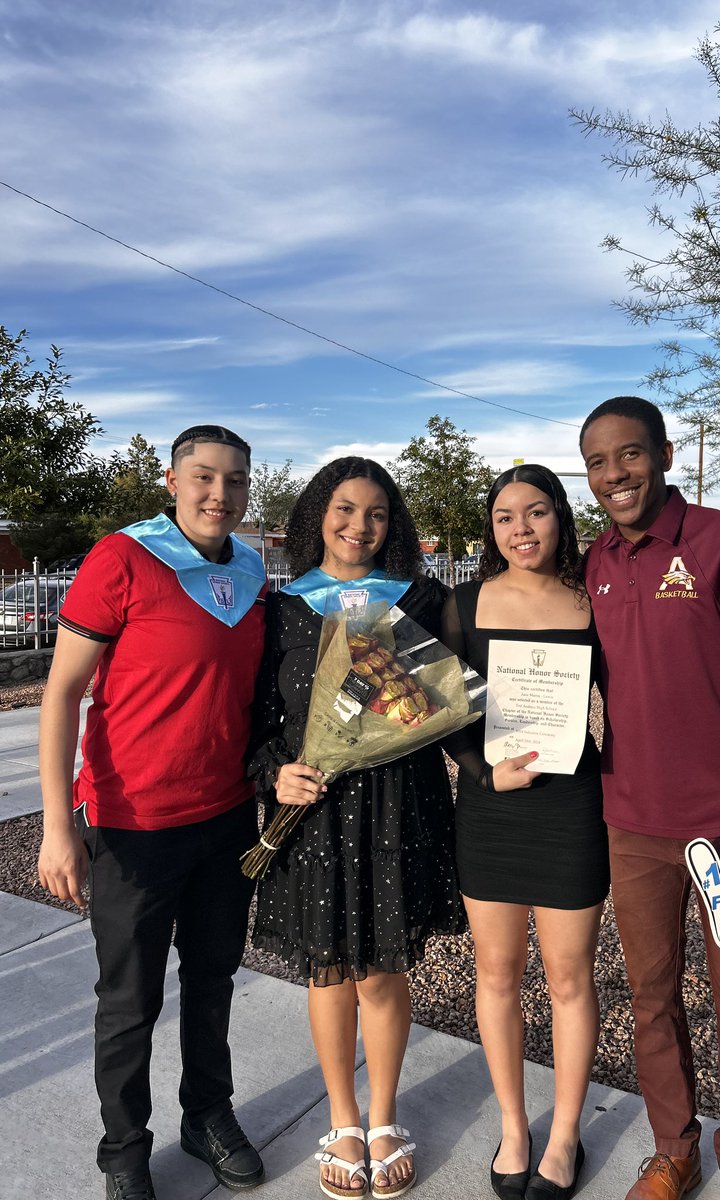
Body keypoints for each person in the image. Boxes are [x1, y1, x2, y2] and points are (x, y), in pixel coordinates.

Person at [37, 425, 268, 1200]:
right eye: (203, 476)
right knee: (131, 1000)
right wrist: (56, 824)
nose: (219, 494)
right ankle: (123, 1150)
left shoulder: (251, 567)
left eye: (235, 480)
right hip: (132, 823)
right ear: (170, 481)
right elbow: (63, 693)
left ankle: (206, 1115)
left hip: (227, 816)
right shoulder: (124, 557)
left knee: (213, 980)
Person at [579, 397, 720, 1200]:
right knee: (651, 1000)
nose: (614, 475)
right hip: (631, 824)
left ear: (666, 454)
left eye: (629, 456)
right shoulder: (593, 561)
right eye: (599, 464)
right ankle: (673, 1150)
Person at [248, 457, 462, 1200]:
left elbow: (444, 700)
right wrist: (276, 771)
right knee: (329, 966)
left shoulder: (421, 600)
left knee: (382, 970)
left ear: (391, 523)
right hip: (317, 808)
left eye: (375, 514)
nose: (358, 527)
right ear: (318, 515)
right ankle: (341, 1118)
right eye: (344, 510)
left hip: (400, 804)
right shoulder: (284, 608)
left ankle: (383, 1115)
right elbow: (258, 717)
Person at [441, 464, 609, 1200]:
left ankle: (565, 1132)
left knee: (571, 978)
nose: (521, 529)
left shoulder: (592, 601)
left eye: (535, 513)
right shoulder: (464, 603)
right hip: (492, 812)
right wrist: (481, 774)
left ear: (560, 518)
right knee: (497, 974)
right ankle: (515, 1125)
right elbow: (440, 715)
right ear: (491, 530)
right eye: (505, 517)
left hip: (571, 809)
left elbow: (632, 700)